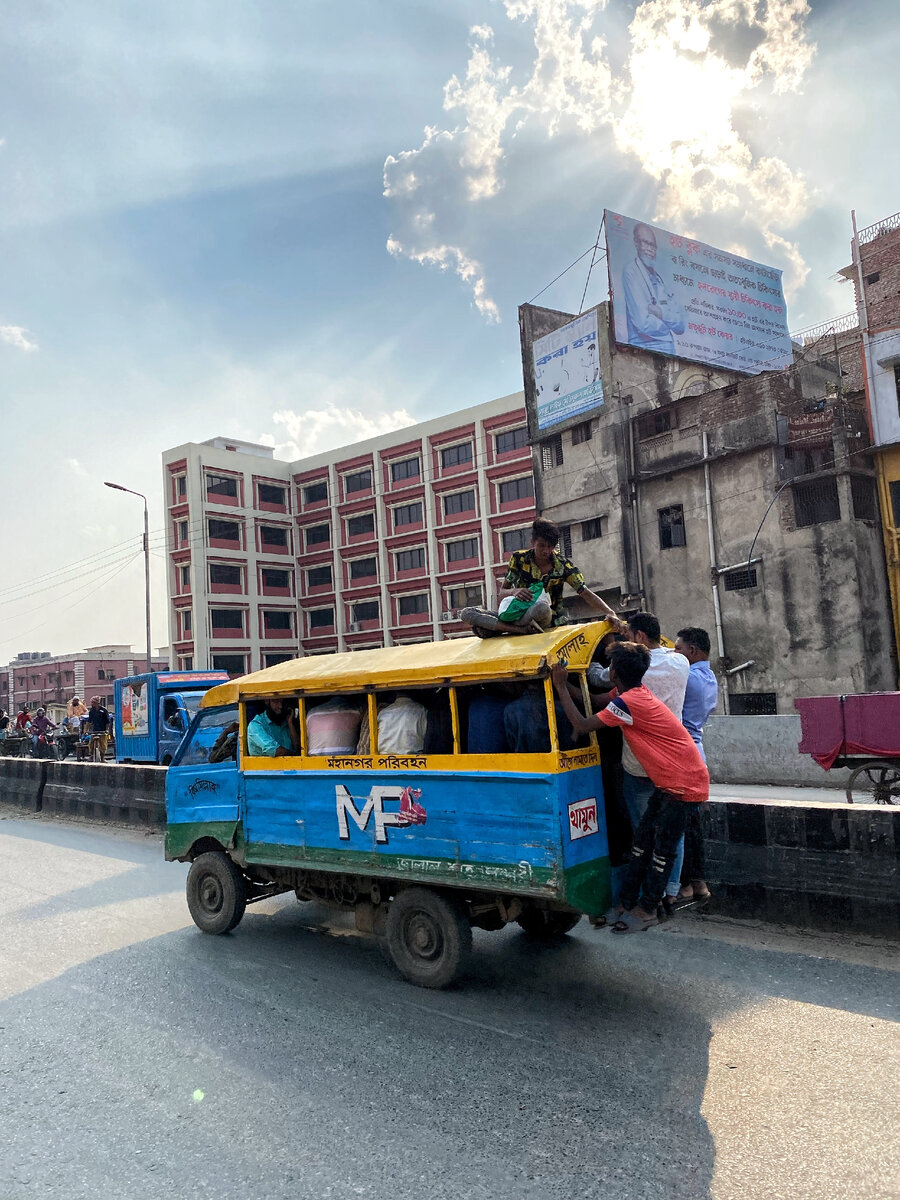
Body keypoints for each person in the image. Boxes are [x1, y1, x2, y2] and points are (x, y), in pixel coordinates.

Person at [552, 642, 709, 933]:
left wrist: (560, 687)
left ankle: (648, 908)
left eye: (610, 667)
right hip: (671, 781)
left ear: (614, 674)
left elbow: (583, 725)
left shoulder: (629, 703)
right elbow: (596, 700)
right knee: (641, 844)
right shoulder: (628, 694)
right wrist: (564, 684)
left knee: (662, 850)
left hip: (685, 783)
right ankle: (626, 901)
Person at [670, 627, 719, 907]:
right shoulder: (707, 677)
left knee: (682, 824)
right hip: (696, 752)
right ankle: (698, 882)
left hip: (683, 755)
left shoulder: (689, 677)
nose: (674, 654)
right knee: (693, 823)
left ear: (692, 651)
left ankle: (686, 885)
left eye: (678, 649)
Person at [498, 518, 620, 627]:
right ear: (532, 542)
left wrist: (610, 612)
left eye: (550, 547)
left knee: (542, 610)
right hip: (521, 615)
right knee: (480, 616)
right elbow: (502, 593)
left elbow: (585, 592)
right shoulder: (518, 559)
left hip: (553, 623)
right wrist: (514, 591)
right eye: (541, 545)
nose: (546, 551)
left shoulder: (563, 566)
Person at [621, 222, 685, 354]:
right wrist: (669, 325)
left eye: (653, 245)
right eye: (646, 243)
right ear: (636, 243)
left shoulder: (660, 280)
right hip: (644, 350)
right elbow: (643, 324)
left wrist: (660, 313)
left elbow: (680, 325)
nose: (650, 249)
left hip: (669, 350)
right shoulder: (631, 272)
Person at [86, 696, 111, 760]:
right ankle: (91, 754)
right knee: (91, 743)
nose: (91, 704)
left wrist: (107, 730)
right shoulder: (91, 711)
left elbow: (107, 722)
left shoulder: (104, 710)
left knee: (103, 744)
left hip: (102, 730)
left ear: (97, 703)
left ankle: (102, 758)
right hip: (94, 730)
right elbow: (89, 721)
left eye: (93, 702)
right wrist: (86, 730)